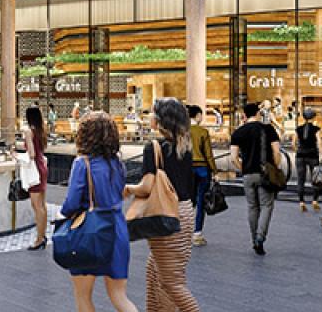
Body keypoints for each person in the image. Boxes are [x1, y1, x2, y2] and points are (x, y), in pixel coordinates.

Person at [61, 111, 135, 312]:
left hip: (89, 232)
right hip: (116, 228)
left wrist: (63, 214)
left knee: (83, 297)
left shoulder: (81, 163)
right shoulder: (117, 164)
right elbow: (120, 193)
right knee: (119, 296)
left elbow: (72, 203)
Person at [131, 98, 197, 312]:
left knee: (172, 282)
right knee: (155, 272)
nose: (149, 116)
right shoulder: (185, 146)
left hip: (166, 214)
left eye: (152, 113)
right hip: (185, 212)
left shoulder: (154, 147)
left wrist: (126, 189)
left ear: (161, 120)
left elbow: (146, 187)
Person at [230, 101, 282, 255]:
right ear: (258, 114)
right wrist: (275, 167)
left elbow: (233, 158)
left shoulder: (238, 132)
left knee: (252, 206)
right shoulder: (268, 129)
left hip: (248, 174)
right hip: (265, 173)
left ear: (244, 115)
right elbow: (276, 152)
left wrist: (243, 168)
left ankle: (254, 240)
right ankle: (260, 237)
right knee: (267, 205)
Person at [18, 105, 50, 250]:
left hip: (34, 171)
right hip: (42, 168)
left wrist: (17, 155)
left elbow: (31, 154)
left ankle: (39, 239)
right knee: (42, 205)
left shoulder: (28, 131)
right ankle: (42, 235)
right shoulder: (40, 130)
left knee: (37, 206)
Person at [186, 105, 217, 245]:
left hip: (187, 169)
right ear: (197, 116)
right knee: (200, 201)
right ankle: (197, 234)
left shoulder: (182, 132)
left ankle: (183, 232)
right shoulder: (203, 132)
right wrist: (215, 171)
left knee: (187, 201)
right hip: (203, 169)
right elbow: (209, 154)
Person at [294, 106, 321, 212]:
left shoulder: (298, 129)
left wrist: (298, 149)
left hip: (300, 155)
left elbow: (293, 142)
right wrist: (320, 152)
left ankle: (301, 202)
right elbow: (319, 142)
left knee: (301, 180)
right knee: (315, 179)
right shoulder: (316, 129)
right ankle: (314, 201)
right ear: (313, 117)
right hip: (312, 155)